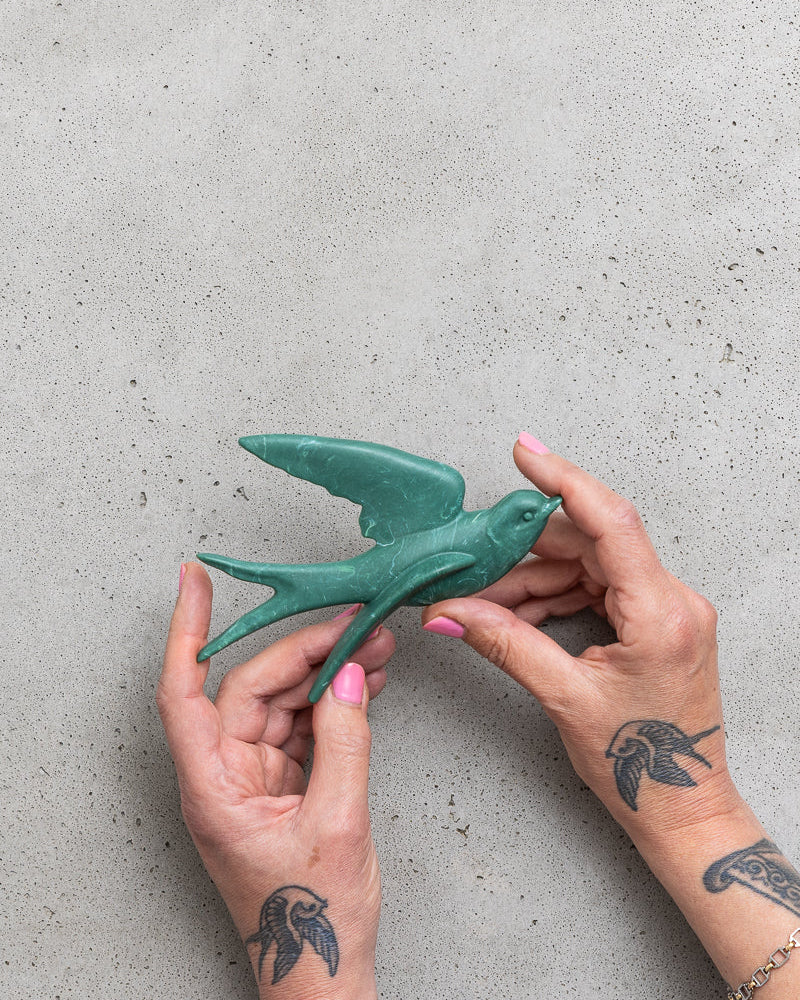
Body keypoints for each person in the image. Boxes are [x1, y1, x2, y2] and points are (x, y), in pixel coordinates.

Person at [158, 434, 800, 1000]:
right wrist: (700, 812)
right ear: (506, 522)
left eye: (537, 515)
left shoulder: (497, 541)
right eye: (528, 514)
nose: (537, 519)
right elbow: (419, 577)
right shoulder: (455, 512)